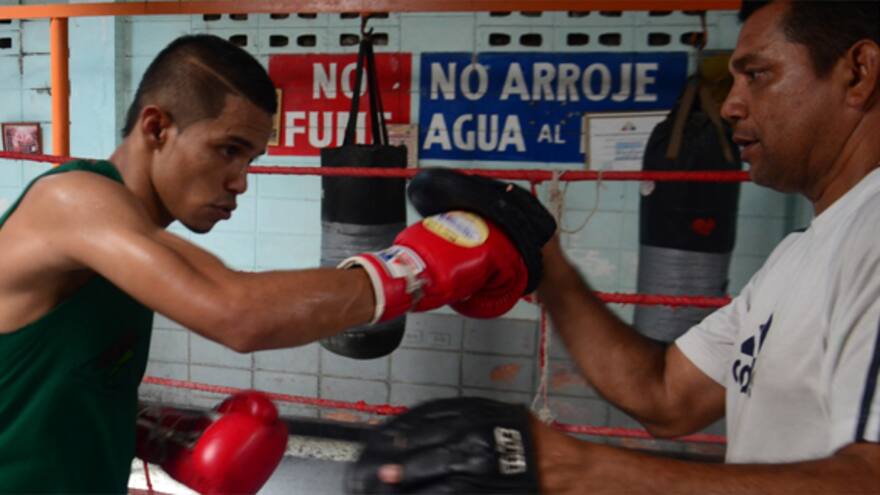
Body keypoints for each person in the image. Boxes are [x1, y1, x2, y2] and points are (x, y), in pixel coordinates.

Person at [347, 1, 880, 493]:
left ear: (857, 72)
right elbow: (666, 395)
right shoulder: (800, 254)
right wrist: (546, 264)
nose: (732, 105)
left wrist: (575, 466)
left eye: (758, 75)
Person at [0, 34, 545, 493]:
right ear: (156, 127)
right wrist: (418, 266)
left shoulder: (134, 240)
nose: (240, 181)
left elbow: (41, 371)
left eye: (252, 159)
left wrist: (141, 426)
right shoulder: (70, 201)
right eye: (228, 150)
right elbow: (237, 312)